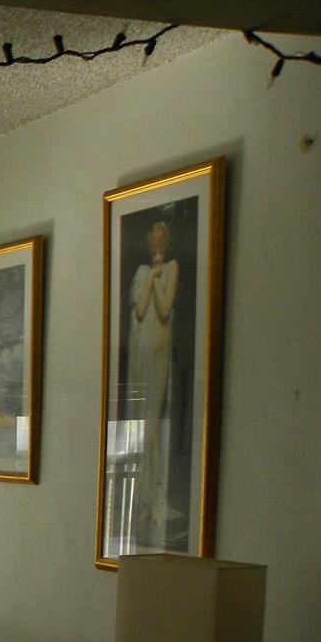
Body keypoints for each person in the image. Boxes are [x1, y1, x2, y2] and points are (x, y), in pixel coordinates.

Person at [128, 220, 181, 543]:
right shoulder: (141, 271)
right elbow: (140, 309)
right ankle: (145, 500)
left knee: (150, 427)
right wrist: (151, 275)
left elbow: (163, 309)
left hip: (159, 354)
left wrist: (160, 275)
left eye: (161, 233)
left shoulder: (172, 267)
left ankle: (154, 498)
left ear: (167, 239)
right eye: (152, 234)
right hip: (140, 355)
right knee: (139, 427)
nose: (155, 238)